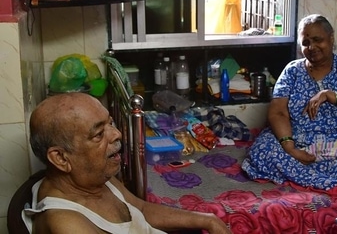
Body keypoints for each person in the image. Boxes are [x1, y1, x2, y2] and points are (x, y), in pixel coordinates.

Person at [241, 14, 337, 216]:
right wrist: (291, 148)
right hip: (301, 139)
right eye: (306, 42)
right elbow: (277, 112)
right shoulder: (292, 71)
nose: (312, 47)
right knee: (262, 150)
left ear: (331, 38)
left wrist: (334, 96)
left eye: (317, 40)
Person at [24, 92, 231, 234]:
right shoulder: (66, 222)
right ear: (60, 158)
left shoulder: (90, 179)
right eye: (98, 134)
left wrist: (208, 219)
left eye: (110, 123)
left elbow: (140, 209)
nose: (117, 134)